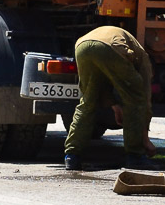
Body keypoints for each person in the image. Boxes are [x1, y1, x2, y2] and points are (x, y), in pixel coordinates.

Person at [63, 25, 156, 170]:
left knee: (87, 102)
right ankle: (135, 156)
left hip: (82, 46)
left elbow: (103, 83)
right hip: (110, 47)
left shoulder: (127, 43)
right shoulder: (144, 60)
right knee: (134, 100)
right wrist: (145, 139)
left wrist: (114, 106)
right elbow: (143, 100)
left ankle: (71, 156)